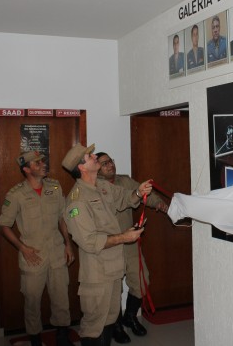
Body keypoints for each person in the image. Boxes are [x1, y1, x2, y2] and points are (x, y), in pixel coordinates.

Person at [61, 143, 152, 346]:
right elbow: (89, 242)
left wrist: (138, 192)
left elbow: (124, 198)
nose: (95, 157)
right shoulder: (77, 201)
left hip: (114, 268)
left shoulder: (102, 186)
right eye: (89, 156)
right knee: (94, 326)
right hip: (97, 274)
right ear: (82, 167)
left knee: (109, 320)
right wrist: (124, 237)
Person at [0, 151, 76, 346]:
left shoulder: (55, 187)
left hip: (57, 252)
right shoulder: (16, 194)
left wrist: (68, 244)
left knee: (61, 298)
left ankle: (62, 335)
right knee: (32, 301)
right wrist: (22, 247)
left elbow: (62, 217)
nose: (43, 165)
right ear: (26, 169)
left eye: (43, 161)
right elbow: (4, 225)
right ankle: (35, 338)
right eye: (37, 163)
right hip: (33, 256)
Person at [96, 152, 168, 344]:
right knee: (114, 289)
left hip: (130, 243)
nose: (110, 165)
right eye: (104, 163)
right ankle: (116, 325)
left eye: (110, 161)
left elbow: (145, 194)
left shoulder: (125, 181)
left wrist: (160, 204)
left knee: (142, 281)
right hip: (109, 246)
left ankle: (130, 317)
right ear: (96, 169)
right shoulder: (94, 187)